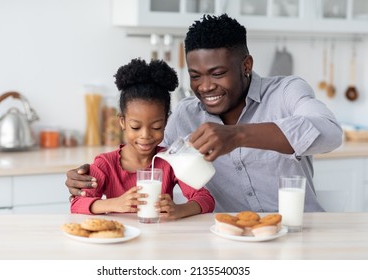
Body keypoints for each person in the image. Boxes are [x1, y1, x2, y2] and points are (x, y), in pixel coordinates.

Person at [66, 14, 342, 213]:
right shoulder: (185, 115)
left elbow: (329, 133)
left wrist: (237, 135)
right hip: (229, 237)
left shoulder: (286, 91)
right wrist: (87, 178)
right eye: (195, 76)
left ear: (246, 64)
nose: (205, 86)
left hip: (300, 231)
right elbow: (145, 153)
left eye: (218, 73)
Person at [70, 58, 215, 219]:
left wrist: (179, 210)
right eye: (135, 127)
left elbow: (205, 199)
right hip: (120, 237)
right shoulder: (106, 164)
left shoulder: (170, 161)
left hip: (159, 238)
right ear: (122, 122)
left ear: (166, 122)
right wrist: (116, 203)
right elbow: (77, 204)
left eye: (156, 127)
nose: (145, 135)